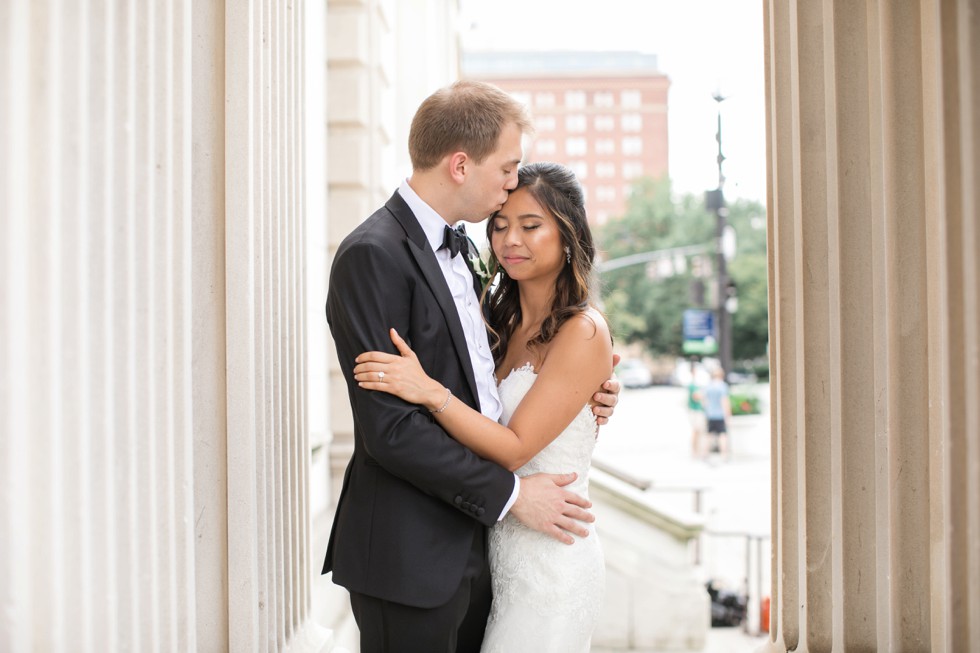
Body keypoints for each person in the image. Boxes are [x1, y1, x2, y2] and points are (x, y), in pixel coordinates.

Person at [323, 81, 621, 653]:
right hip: (410, 556)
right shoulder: (374, 254)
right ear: (461, 165)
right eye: (507, 169)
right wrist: (510, 495)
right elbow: (390, 431)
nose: (511, 184)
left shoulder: (467, 264)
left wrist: (594, 389)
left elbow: (500, 386)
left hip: (486, 551)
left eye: (529, 224)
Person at [702, 367, 732, 459]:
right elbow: (725, 401)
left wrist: (707, 411)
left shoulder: (709, 386)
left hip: (710, 414)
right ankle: (724, 455)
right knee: (722, 435)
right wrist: (728, 414)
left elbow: (704, 400)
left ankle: (705, 454)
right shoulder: (722, 386)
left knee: (709, 435)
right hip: (720, 415)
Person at [686, 359, 707, 458]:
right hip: (695, 411)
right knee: (696, 431)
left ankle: (697, 451)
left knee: (698, 431)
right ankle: (694, 451)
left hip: (697, 410)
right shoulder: (693, 384)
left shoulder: (696, 383)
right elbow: (696, 396)